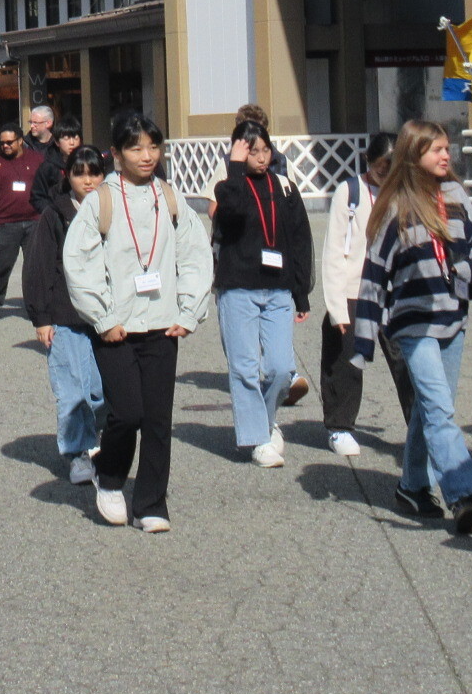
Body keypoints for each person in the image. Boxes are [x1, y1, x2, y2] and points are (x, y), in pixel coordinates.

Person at [63, 113, 214, 533]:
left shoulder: (169, 197)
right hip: (117, 327)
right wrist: (104, 316)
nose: (147, 156)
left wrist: (189, 310)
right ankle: (109, 477)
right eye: (135, 148)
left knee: (159, 420)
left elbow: (195, 254)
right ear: (116, 154)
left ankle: (151, 503)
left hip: (163, 323)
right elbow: (79, 262)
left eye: (153, 147)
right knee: (127, 413)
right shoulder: (101, 201)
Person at [351, 120, 472, 536]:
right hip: (414, 325)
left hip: (454, 317)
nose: (446, 156)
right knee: (440, 409)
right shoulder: (395, 205)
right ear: (414, 156)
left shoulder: (455, 195)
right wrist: (362, 338)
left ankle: (412, 486)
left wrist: (470, 272)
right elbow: (374, 274)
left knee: (431, 409)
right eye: (436, 150)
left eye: (447, 148)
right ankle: (462, 493)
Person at [210, 119, 314, 469]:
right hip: (238, 287)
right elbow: (233, 214)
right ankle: (257, 439)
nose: (261, 157)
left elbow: (299, 241)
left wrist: (301, 293)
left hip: (278, 288)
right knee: (244, 367)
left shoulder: (284, 187)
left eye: (265, 149)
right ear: (238, 152)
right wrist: (235, 167)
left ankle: (266, 422)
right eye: (251, 150)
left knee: (282, 368)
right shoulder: (229, 187)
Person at [316, 133, 416, 457]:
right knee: (346, 361)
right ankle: (340, 427)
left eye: (392, 166)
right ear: (368, 161)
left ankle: (420, 428)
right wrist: (336, 308)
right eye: (379, 165)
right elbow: (334, 251)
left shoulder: (404, 192)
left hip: (391, 293)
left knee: (407, 363)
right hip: (354, 290)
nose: (384, 172)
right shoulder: (351, 191)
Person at [23, 145, 108, 485]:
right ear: (68, 176)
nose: (88, 181)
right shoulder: (56, 214)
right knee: (73, 390)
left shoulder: (112, 211)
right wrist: (41, 317)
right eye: (79, 173)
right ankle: (77, 453)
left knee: (103, 392)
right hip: (65, 314)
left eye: (94, 173)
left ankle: (96, 438)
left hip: (105, 317)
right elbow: (39, 266)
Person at [0, 125, 47, 320]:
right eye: (2, 143)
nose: (5, 146)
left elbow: (50, 180)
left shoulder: (37, 159)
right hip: (6, 223)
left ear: (20, 140)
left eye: (9, 142)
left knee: (33, 267)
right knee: (3, 266)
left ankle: (35, 307)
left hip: (34, 221)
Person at [31, 113, 82, 205]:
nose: (72, 143)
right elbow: (37, 197)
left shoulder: (86, 163)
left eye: (75, 138)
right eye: (66, 138)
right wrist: (52, 213)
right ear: (57, 142)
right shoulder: (48, 166)